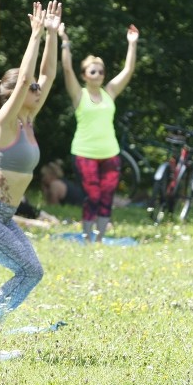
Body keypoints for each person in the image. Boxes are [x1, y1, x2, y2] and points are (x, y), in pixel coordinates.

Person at [0, 0, 60, 326]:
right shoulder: (5, 121)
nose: (36, 88)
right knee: (28, 269)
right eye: (30, 87)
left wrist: (52, 34)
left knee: (34, 271)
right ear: (13, 94)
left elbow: (47, 73)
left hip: (4, 215)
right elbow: (27, 80)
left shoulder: (28, 119)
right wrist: (34, 35)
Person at [58, 21, 139, 243]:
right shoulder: (79, 95)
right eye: (94, 71)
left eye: (101, 71)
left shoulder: (109, 92)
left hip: (110, 154)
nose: (99, 74)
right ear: (84, 75)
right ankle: (86, 237)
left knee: (106, 197)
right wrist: (65, 42)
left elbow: (128, 70)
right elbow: (66, 68)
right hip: (85, 153)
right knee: (92, 196)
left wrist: (132, 44)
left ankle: (100, 238)